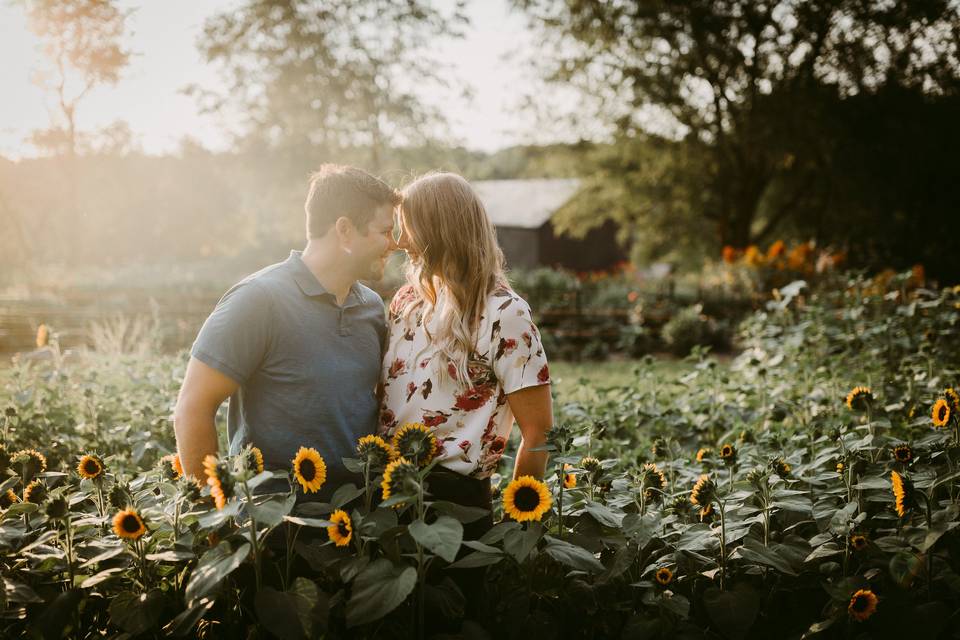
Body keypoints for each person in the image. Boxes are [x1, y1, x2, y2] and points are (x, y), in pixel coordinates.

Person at [379, 171, 553, 625]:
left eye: (408, 226)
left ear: (438, 228)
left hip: (456, 501)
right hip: (385, 491)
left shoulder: (504, 312)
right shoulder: (405, 302)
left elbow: (537, 429)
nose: (400, 241)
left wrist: (520, 520)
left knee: (452, 623)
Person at [173, 164, 400, 499]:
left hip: (356, 523)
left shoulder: (370, 307)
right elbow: (193, 407)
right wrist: (211, 514)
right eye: (385, 232)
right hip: (274, 523)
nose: (393, 244)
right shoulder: (258, 299)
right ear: (345, 230)